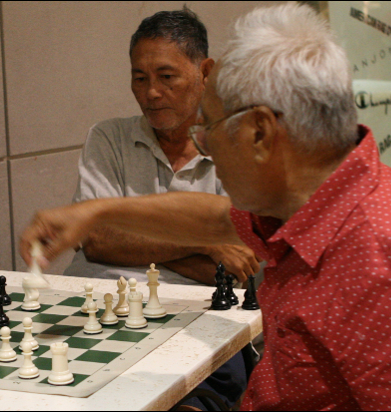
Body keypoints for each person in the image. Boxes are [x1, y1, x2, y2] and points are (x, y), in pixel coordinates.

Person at [21, 4, 391, 410]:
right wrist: (95, 213)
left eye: (208, 126)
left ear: (259, 133)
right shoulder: (318, 201)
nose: (200, 140)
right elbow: (212, 218)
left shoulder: (387, 268)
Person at [64, 7, 260, 287]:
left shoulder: (238, 146)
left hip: (194, 317)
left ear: (206, 72)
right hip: (99, 303)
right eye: (140, 78)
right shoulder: (109, 137)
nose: (151, 93)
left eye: (166, 77)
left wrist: (133, 244)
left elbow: (235, 269)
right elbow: (96, 240)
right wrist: (205, 243)